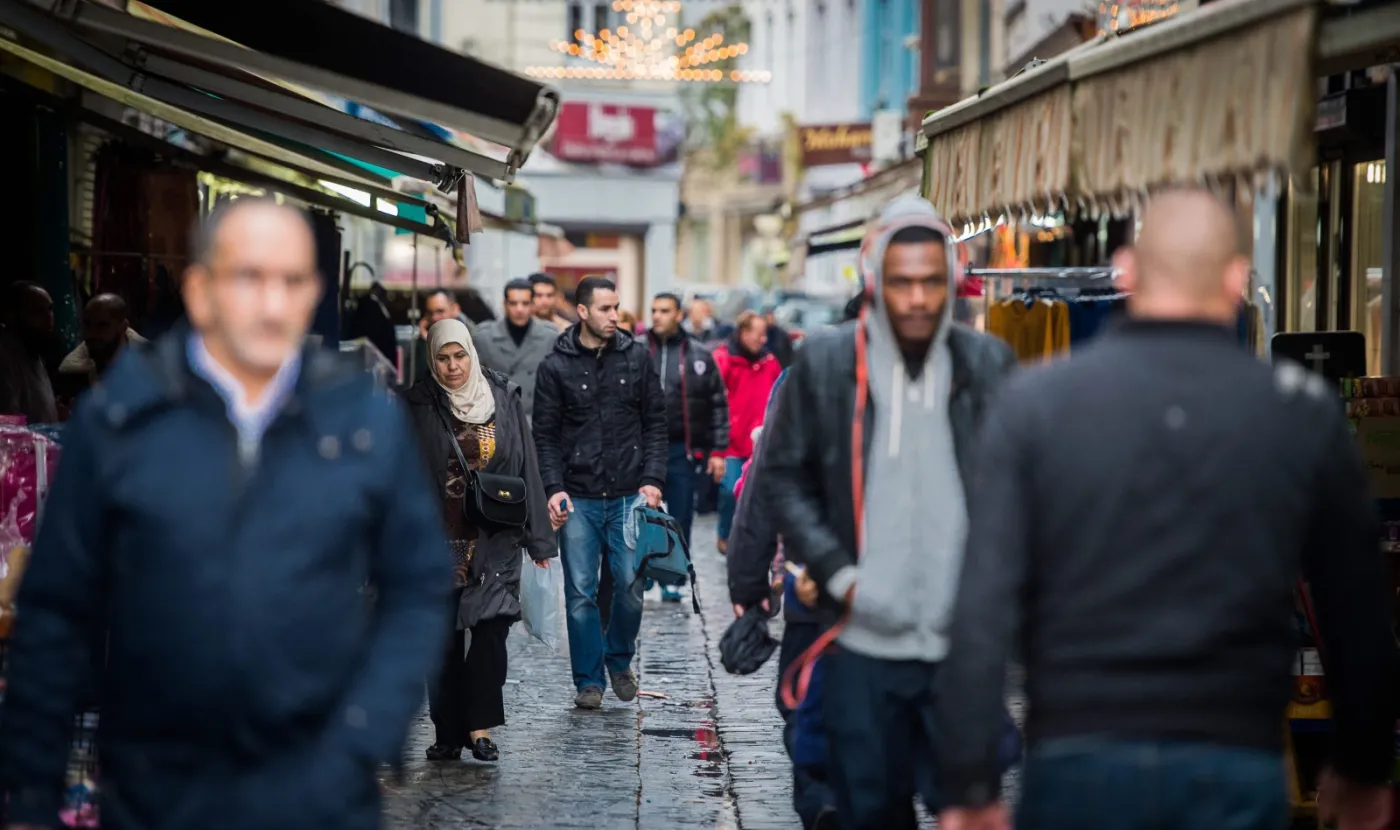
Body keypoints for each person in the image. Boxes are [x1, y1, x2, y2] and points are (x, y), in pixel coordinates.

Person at [935, 188, 1399, 830]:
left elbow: (982, 603)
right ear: (1236, 280)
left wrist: (969, 781)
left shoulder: (1039, 405)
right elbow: (1356, 607)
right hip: (1232, 752)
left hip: (1077, 750)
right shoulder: (1299, 414)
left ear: (1125, 273)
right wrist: (1363, 766)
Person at [0, 198, 447, 830]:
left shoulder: (361, 418)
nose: (271, 302)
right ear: (200, 290)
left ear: (313, 292)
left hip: (320, 789)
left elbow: (419, 585)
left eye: (291, 280)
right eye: (248, 277)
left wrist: (367, 729)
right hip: (158, 788)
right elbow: (55, 610)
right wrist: (29, 796)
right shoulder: (124, 418)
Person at [757, 194, 1017, 829]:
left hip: (959, 648)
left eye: (932, 282)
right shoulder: (825, 364)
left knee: (966, 809)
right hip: (860, 642)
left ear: (953, 283)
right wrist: (838, 573)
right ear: (876, 282)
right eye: (903, 282)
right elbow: (782, 476)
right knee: (869, 810)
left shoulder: (988, 364)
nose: (918, 298)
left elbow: (1018, 488)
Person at [403, 318, 555, 764]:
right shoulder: (416, 404)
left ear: (472, 353)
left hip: (495, 539)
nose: (453, 366)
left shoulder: (502, 396)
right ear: (432, 360)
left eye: (460, 356)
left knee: (491, 635)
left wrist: (540, 543)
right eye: (443, 358)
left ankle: (479, 727)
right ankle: (447, 733)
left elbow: (526, 467)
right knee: (443, 643)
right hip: (437, 541)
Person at [533, 275, 668, 710]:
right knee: (580, 593)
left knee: (630, 585)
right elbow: (545, 436)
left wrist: (653, 479)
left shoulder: (637, 357)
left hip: (629, 494)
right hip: (579, 497)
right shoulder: (555, 367)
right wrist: (553, 488)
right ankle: (589, 681)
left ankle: (619, 659)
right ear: (582, 311)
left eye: (616, 307)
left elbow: (656, 424)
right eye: (605, 308)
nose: (614, 316)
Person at [647, 292, 729, 600]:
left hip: (682, 447)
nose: (657, 316)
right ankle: (645, 571)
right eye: (654, 310)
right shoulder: (638, 350)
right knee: (644, 513)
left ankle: (673, 576)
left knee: (680, 515)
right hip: (643, 447)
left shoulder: (698, 354)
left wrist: (717, 451)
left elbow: (717, 403)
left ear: (678, 315)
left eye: (664, 310)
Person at [712, 311, 782, 554]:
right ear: (744, 333)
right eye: (758, 334)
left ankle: (747, 541)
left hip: (760, 442)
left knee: (756, 497)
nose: (763, 340)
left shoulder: (770, 363)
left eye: (765, 334)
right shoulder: (723, 360)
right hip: (731, 442)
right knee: (730, 491)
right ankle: (725, 534)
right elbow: (713, 400)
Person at [473, 279, 557, 421]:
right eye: (513, 303)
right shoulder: (484, 337)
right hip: (498, 419)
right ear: (505, 304)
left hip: (537, 420)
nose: (519, 309)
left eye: (525, 303)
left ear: (532, 304)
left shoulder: (550, 336)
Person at [55, 293, 147, 404]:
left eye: (102, 325)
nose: (92, 333)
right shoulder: (72, 373)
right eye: (87, 324)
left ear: (123, 327)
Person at [0, 281, 59, 424]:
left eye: (50, 309)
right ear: (12, 317)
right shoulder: (5, 359)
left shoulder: (33, 349)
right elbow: (6, 425)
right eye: (38, 311)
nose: (49, 318)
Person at [412, 288, 474, 383]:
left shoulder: (472, 337)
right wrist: (425, 341)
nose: (434, 318)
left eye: (440, 311)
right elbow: (419, 377)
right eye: (430, 313)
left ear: (455, 310)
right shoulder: (428, 336)